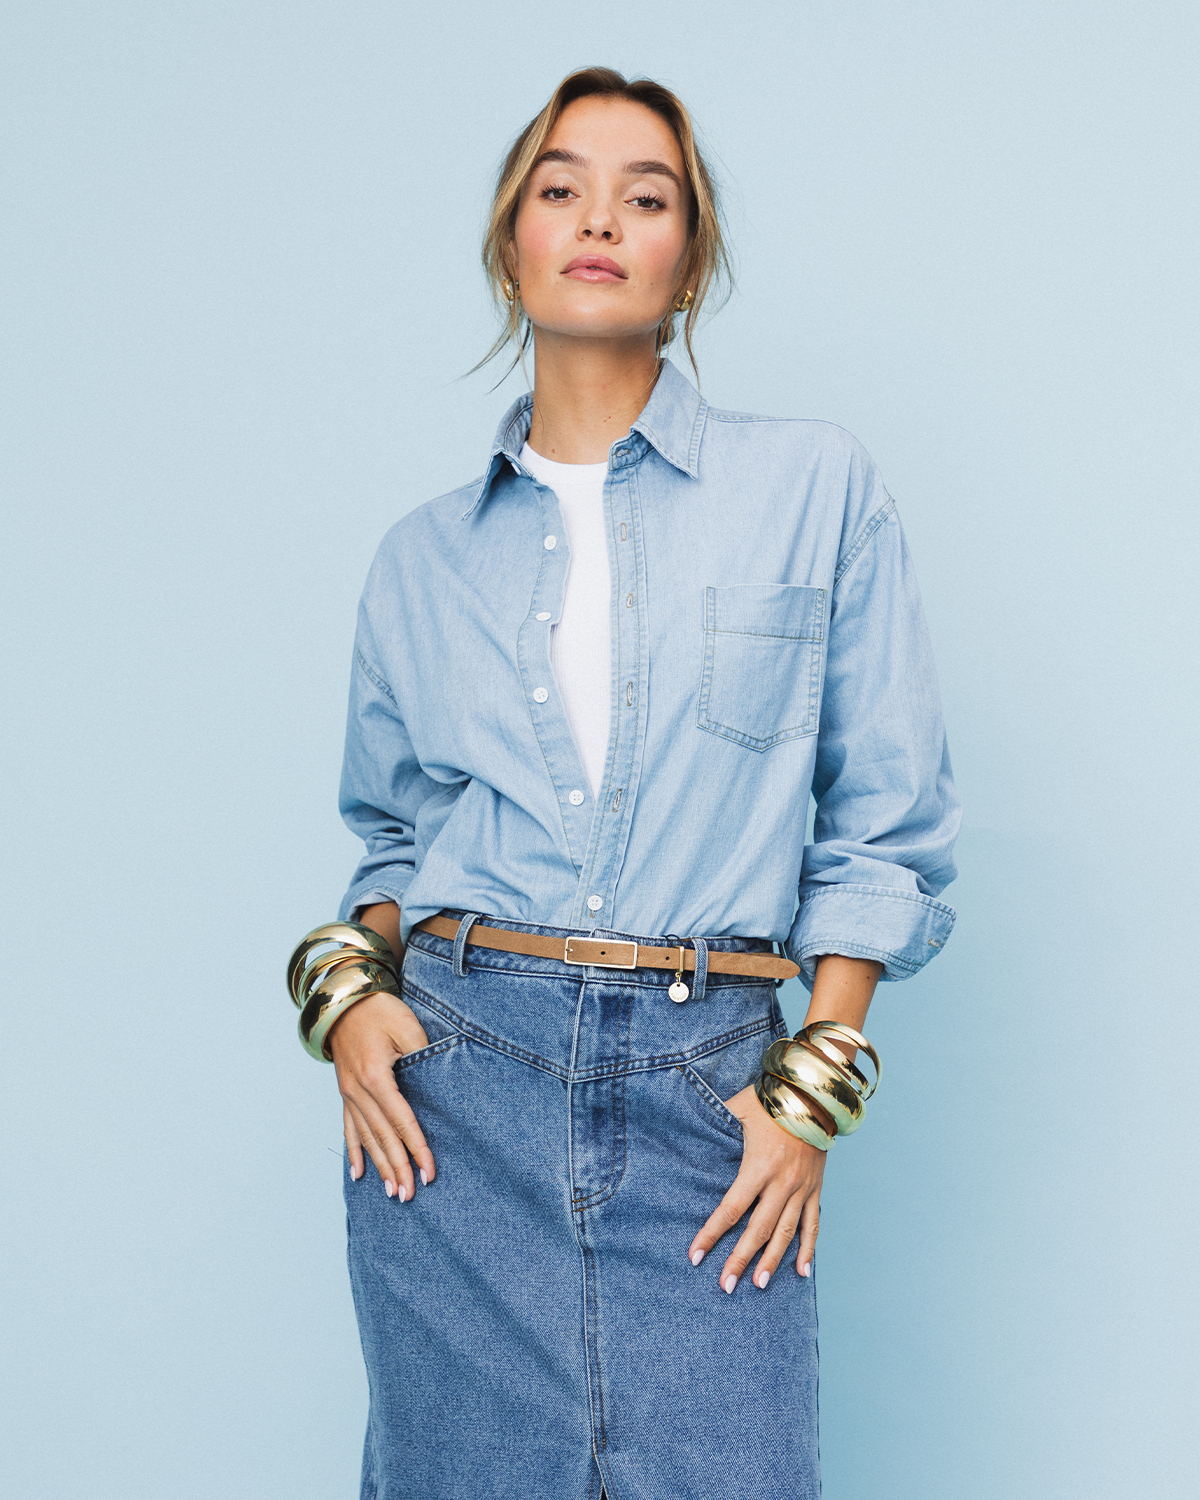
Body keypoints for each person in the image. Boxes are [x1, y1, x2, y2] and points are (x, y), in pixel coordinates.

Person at [290, 66, 960, 1500]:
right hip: (454, 1105)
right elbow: (395, 839)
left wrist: (812, 1086)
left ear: (689, 260)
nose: (599, 219)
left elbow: (884, 826)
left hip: (711, 1093)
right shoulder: (419, 560)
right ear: (510, 241)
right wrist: (341, 997)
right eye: (562, 188)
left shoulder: (815, 488)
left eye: (644, 197)